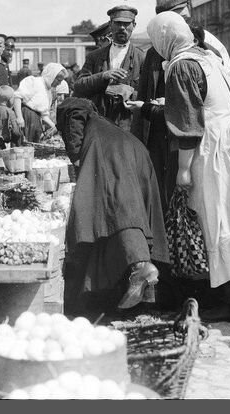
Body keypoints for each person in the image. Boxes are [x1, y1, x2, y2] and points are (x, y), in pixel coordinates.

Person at [126, 12, 230, 323]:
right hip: (227, 145)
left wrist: (184, 170)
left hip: (207, 153)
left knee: (210, 225)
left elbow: (188, 124)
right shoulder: (205, 57)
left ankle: (228, 302)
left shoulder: (181, 66)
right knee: (226, 224)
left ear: (164, 37)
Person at [56, 97, 170, 315]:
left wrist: (75, 154)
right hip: (132, 149)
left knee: (120, 207)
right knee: (126, 208)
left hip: (112, 153)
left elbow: (75, 113)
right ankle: (143, 292)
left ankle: (140, 265)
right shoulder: (103, 122)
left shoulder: (74, 107)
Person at [73, 5, 145, 132]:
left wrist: (129, 93)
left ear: (134, 25)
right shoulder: (95, 57)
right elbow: (79, 86)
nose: (122, 28)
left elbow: (150, 95)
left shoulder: (142, 58)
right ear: (111, 24)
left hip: (129, 124)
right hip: (99, 122)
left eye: (126, 24)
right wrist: (103, 76)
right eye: (118, 23)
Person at [12, 62, 67, 142]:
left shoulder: (48, 92)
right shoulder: (34, 82)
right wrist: (19, 117)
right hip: (26, 116)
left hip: (36, 121)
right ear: (51, 76)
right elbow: (17, 97)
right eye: (58, 80)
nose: (59, 83)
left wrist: (55, 128)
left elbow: (44, 115)